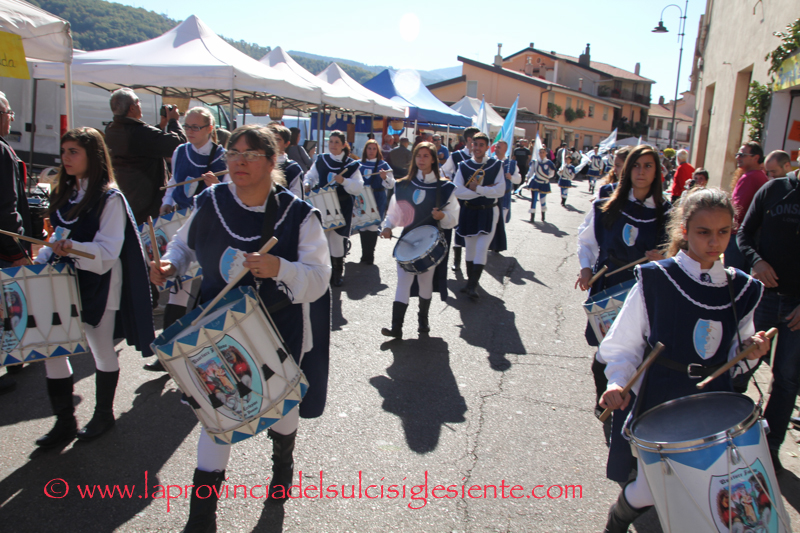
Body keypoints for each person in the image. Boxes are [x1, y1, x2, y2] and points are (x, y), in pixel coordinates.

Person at [150, 125, 330, 528]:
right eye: (233, 153)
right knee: (217, 416)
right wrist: (169, 264)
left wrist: (279, 267)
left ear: (272, 160)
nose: (239, 162)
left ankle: (282, 465)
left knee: (281, 407)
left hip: (279, 326)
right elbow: (183, 245)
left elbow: (319, 277)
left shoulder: (298, 214)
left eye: (249, 155)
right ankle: (202, 516)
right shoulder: (211, 200)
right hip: (217, 328)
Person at [599, 187, 770, 532]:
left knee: (715, 485)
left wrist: (751, 350)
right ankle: (617, 519)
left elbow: (735, 358)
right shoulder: (657, 278)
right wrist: (617, 381)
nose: (714, 241)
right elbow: (623, 344)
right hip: (662, 397)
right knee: (650, 488)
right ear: (684, 230)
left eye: (723, 232)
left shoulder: (743, 288)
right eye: (704, 232)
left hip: (716, 401)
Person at [34, 127, 154, 447]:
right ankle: (64, 422)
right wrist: (43, 258)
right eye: (64, 151)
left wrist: (71, 248)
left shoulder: (110, 199)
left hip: (100, 283)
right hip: (62, 282)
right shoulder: (65, 192)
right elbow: (57, 236)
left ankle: (104, 414)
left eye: (74, 151)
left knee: (101, 350)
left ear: (93, 155)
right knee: (53, 350)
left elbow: (108, 252)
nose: (66, 157)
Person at [575, 145, 671, 424]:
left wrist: (665, 255)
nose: (641, 172)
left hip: (644, 291)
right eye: (636, 165)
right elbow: (587, 240)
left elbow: (678, 254)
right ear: (627, 170)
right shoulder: (607, 203)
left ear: (657, 172)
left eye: (648, 166)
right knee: (604, 353)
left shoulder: (667, 212)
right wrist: (585, 268)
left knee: (637, 352)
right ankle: (605, 399)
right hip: (609, 284)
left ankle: (631, 410)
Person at [143, 108, 228, 373]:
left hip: (206, 227)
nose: (189, 131)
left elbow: (228, 197)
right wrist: (166, 203)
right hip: (178, 224)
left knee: (191, 291)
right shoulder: (180, 151)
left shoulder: (223, 157)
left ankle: (184, 357)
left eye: (195, 127)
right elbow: (174, 182)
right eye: (187, 126)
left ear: (209, 129)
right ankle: (168, 354)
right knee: (178, 288)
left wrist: (214, 185)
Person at [737, 151, 800, 473]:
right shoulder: (774, 189)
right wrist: (757, 261)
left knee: (787, 379)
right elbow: (743, 234)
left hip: (797, 308)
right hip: (762, 298)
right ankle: (725, 432)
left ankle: (770, 446)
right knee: (741, 365)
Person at [380, 142, 459, 338]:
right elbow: (394, 212)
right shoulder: (403, 185)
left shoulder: (446, 187)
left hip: (429, 243)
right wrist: (388, 227)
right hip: (407, 240)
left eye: (425, 156)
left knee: (425, 282)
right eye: (418, 155)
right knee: (403, 282)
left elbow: (454, 217)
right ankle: (396, 327)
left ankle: (423, 320)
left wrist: (443, 216)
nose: (421, 159)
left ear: (433, 159)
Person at [104, 88, 186, 225]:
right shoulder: (139, 132)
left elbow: (143, 144)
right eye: (138, 102)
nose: (140, 105)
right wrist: (173, 121)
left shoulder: (112, 129)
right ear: (132, 108)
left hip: (127, 196)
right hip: (146, 202)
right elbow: (178, 144)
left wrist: (161, 126)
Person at [0, 91, 32, 395]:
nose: (11, 118)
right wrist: (17, 251)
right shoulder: (2, 152)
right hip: (3, 246)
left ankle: (13, 357)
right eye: (8, 113)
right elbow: (7, 208)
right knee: (8, 303)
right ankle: (13, 357)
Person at [303, 130, 363, 286]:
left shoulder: (351, 165)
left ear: (343, 145)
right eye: (331, 141)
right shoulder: (321, 159)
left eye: (337, 142)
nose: (333, 145)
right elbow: (310, 176)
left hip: (342, 205)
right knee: (322, 239)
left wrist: (344, 181)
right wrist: (307, 184)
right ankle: (325, 271)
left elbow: (358, 187)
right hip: (323, 204)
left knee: (336, 239)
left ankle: (337, 274)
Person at [453, 133, 505, 299]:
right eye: (475, 144)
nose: (477, 148)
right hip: (469, 211)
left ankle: (473, 285)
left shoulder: (496, 165)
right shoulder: (463, 165)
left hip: (488, 211)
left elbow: (500, 191)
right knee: (470, 249)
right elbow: (457, 191)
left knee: (482, 248)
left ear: (487, 147)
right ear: (471, 145)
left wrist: (478, 189)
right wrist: (486, 190)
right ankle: (470, 283)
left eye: (481, 145)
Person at [725, 142, 768, 272]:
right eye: (737, 154)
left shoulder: (751, 177)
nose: (738, 157)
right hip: (749, 235)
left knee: (732, 276)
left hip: (739, 235)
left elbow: (738, 208)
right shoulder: (758, 176)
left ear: (756, 158)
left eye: (742, 155)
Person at [442, 127, 480, 273]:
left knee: (474, 229)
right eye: (476, 140)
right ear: (469, 140)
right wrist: (449, 181)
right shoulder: (457, 156)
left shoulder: (480, 157)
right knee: (458, 227)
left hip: (475, 198)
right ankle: (457, 260)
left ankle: (472, 260)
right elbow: (444, 171)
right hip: (459, 198)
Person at [357, 140, 394, 264]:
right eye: (369, 148)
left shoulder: (383, 165)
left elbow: (391, 184)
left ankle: (370, 255)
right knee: (363, 226)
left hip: (377, 197)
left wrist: (385, 177)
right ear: (365, 150)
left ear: (377, 151)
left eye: (374, 148)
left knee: (373, 226)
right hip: (362, 198)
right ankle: (364, 254)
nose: (371, 151)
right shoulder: (358, 164)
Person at [268, 124, 305, 198]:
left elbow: (297, 197)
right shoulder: (262, 164)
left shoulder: (293, 168)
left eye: (277, 140)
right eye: (271, 139)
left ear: (286, 144)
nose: (273, 143)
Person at [526, 147, 555, 222]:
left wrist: (546, 177)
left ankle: (543, 216)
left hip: (544, 183)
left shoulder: (549, 163)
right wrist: (527, 177)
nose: (541, 154)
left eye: (543, 152)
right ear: (538, 153)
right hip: (535, 182)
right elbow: (531, 171)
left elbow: (552, 173)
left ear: (546, 153)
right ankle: (532, 217)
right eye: (540, 152)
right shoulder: (535, 162)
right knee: (534, 199)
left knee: (543, 200)